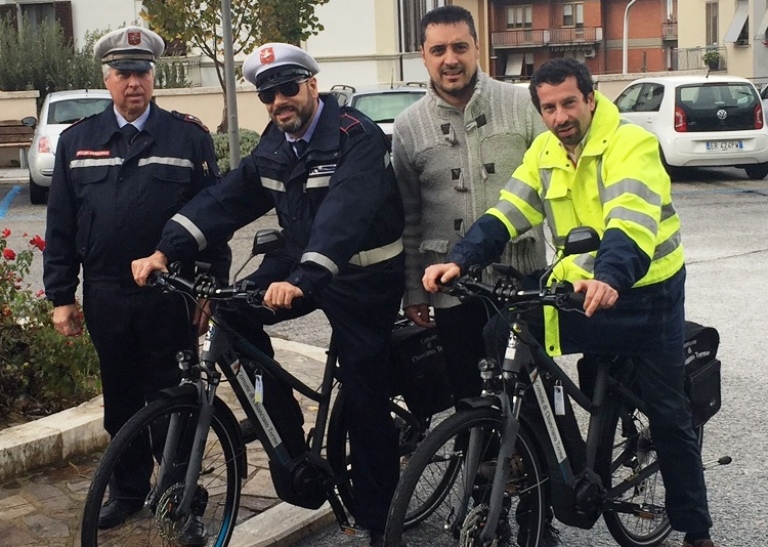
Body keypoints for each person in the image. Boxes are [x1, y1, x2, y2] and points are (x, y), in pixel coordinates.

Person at [423, 58, 715, 547]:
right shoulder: (545, 150)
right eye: (549, 107)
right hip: (579, 290)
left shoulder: (631, 144)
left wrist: (611, 275)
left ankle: (695, 527)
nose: (560, 117)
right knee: (505, 333)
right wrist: (462, 258)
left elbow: (630, 220)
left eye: (568, 103)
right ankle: (561, 464)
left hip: (645, 296)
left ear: (591, 97)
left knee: (668, 414)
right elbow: (509, 211)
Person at [130, 43, 405, 546]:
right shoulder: (274, 147)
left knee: (366, 399)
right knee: (233, 315)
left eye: (287, 87)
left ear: (312, 86)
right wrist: (164, 252)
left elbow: (344, 217)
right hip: (298, 265)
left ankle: (378, 519)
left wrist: (302, 279)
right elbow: (226, 198)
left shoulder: (356, 137)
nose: (278, 99)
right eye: (267, 93)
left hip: (363, 279)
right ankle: (290, 445)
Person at [43, 26, 231, 539]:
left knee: (174, 398)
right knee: (120, 400)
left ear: (153, 77)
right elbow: (59, 224)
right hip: (106, 292)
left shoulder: (187, 136)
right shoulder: (77, 141)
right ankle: (127, 490)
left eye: (142, 72)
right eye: (123, 73)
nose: (133, 82)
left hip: (171, 294)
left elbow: (212, 216)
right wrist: (61, 296)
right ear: (107, 79)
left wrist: (209, 286)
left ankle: (178, 500)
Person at [393, 5, 547, 405]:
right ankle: (480, 467)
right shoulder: (409, 126)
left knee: (531, 397)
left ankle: (539, 468)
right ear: (423, 55)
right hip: (450, 289)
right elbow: (410, 218)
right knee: (467, 394)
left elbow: (556, 188)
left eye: (460, 47)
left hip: (521, 280)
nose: (450, 59)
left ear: (478, 47)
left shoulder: (521, 104)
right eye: (439, 49)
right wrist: (414, 291)